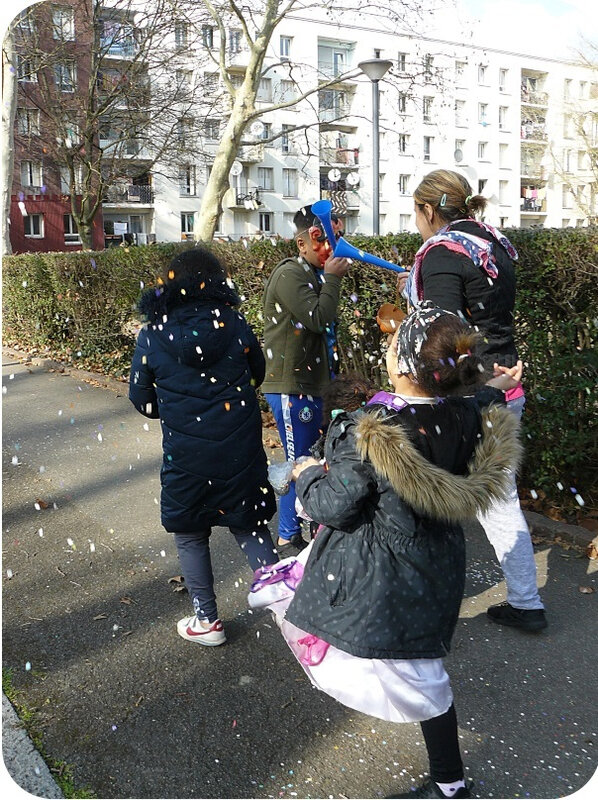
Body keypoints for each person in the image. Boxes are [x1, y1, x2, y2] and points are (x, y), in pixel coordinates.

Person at [249, 303, 523, 798]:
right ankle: (450, 780)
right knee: (424, 669)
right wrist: (496, 389)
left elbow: (335, 506)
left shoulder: (374, 432)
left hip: (383, 569)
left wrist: (306, 471)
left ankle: (451, 785)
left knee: (415, 673)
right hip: (436, 561)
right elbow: (469, 397)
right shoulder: (462, 412)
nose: (387, 347)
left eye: (394, 344)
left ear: (403, 365)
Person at [399, 168, 546, 633]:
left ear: (427, 210)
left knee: (424, 494)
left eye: (416, 213)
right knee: (500, 500)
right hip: (505, 383)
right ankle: (525, 602)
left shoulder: (442, 253)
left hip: (463, 395)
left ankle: (420, 607)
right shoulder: (493, 243)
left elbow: (438, 333)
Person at [129, 247, 278, 647]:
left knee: (190, 530)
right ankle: (287, 604)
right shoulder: (233, 323)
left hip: (187, 454)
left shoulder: (153, 333)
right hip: (239, 447)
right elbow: (257, 373)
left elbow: (141, 399)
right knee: (249, 521)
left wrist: (174, 408)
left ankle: (207, 620)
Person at [262, 204, 350, 556]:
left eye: (338, 238)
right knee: (300, 463)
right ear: (302, 244)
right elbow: (318, 318)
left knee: (304, 460)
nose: (333, 247)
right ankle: (288, 537)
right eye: (324, 239)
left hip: (309, 386)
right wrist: (333, 279)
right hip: (291, 387)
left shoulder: (311, 274)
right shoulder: (290, 274)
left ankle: (290, 533)